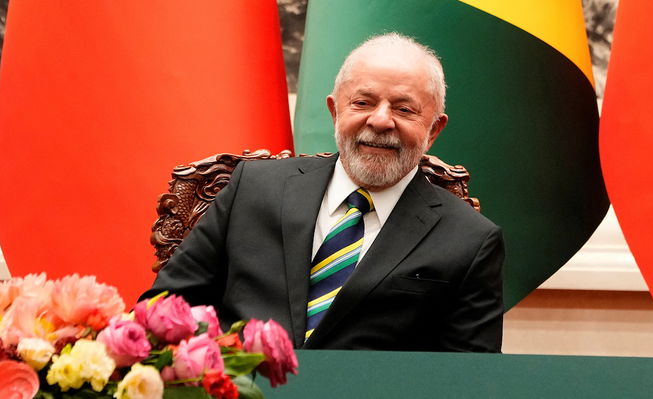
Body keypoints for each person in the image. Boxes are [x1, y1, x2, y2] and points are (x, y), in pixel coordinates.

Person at [147, 32, 505, 351]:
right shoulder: (252, 188)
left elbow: (469, 380)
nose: (380, 121)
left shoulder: (471, 241)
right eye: (362, 103)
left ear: (434, 129)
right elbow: (163, 308)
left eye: (404, 108)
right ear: (335, 111)